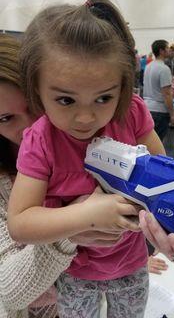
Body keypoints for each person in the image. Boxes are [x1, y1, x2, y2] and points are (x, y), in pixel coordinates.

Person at [8, 0, 165, 318]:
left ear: (122, 88)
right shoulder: (41, 140)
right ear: (36, 89)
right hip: (76, 275)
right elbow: (20, 223)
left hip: (132, 265)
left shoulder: (131, 114)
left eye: (103, 98)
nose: (85, 118)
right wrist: (88, 216)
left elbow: (160, 172)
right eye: (66, 100)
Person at [0, 34, 127, 318]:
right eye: (5, 119)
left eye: (38, 108)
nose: (30, 128)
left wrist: (131, 256)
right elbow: (8, 289)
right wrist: (74, 225)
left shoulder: (92, 141)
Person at [143, 39, 174, 141]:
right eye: (167, 48)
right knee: (157, 143)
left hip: (147, 108)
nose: (169, 50)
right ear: (161, 51)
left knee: (149, 142)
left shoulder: (148, 66)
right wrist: (173, 114)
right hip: (159, 112)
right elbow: (167, 94)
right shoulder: (164, 69)